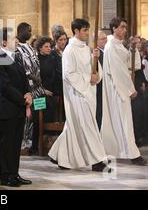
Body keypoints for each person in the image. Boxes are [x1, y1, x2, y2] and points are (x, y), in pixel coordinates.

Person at [48, 19, 108, 171]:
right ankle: (97, 160)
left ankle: (60, 156)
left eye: (88, 30)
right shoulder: (70, 49)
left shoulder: (87, 48)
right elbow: (69, 74)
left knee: (74, 126)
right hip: (77, 93)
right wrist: (89, 78)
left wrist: (96, 60)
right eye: (85, 30)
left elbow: (95, 70)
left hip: (88, 92)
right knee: (88, 126)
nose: (88, 33)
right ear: (76, 31)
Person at [101, 18, 147, 166]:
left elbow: (132, 65)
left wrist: (133, 49)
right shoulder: (111, 46)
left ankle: (120, 151)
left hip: (121, 87)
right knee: (123, 121)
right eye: (122, 27)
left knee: (122, 121)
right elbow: (119, 71)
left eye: (125, 27)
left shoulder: (119, 46)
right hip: (117, 89)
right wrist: (130, 89)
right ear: (114, 28)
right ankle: (133, 154)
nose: (125, 30)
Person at [0, 27, 33, 188]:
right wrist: (23, 100)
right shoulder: (0, 58)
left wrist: (28, 94)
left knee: (16, 144)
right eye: (11, 38)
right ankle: (6, 175)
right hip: (8, 107)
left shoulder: (16, 57)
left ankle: (14, 173)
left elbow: (25, 80)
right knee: (7, 144)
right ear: (3, 42)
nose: (16, 40)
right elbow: (5, 86)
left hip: (19, 107)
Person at [14, 23, 45, 155]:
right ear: (20, 32)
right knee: (29, 117)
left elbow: (36, 64)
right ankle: (24, 143)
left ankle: (36, 144)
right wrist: (33, 77)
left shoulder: (31, 47)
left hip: (38, 89)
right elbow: (22, 68)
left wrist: (38, 77)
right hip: (28, 88)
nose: (30, 32)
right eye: (28, 30)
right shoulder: (18, 49)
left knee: (39, 116)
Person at [37, 37, 59, 123]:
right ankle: (39, 135)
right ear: (40, 48)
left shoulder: (52, 58)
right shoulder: (36, 59)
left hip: (52, 92)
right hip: (39, 93)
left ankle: (50, 135)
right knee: (40, 119)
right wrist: (42, 90)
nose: (49, 48)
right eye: (46, 46)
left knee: (51, 118)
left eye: (50, 46)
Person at [96, 31, 108, 130]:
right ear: (96, 41)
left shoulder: (107, 52)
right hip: (100, 87)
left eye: (106, 38)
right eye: (103, 39)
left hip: (107, 86)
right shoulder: (96, 54)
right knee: (100, 112)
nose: (106, 40)